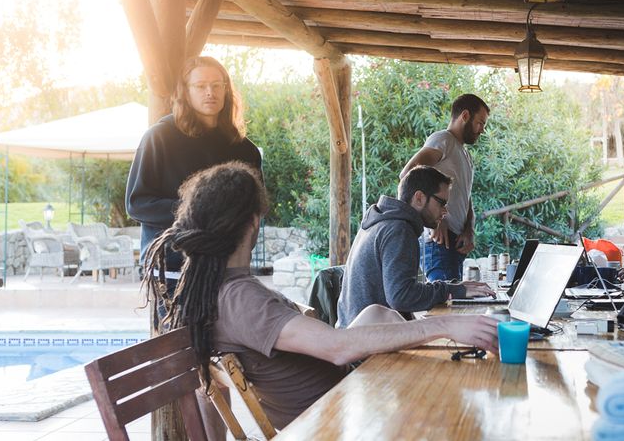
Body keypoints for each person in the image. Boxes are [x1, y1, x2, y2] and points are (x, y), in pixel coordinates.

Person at [145, 162, 499, 430]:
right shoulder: (240, 300)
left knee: (378, 314)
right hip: (333, 418)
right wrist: (446, 325)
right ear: (253, 223)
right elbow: (337, 346)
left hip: (341, 396)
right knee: (451, 405)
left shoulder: (224, 289)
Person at [126, 56, 262, 302]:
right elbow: (137, 204)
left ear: (226, 90)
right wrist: (200, 214)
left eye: (217, 85)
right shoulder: (159, 138)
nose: (210, 92)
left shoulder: (245, 150)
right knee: (180, 341)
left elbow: (253, 211)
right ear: (185, 92)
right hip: (173, 268)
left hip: (227, 268)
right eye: (200, 86)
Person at [337, 166, 495, 328]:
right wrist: (454, 291)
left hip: (353, 332)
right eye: (441, 203)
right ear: (419, 198)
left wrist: (454, 288)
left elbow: (401, 292)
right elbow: (401, 297)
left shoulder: (381, 223)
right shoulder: (399, 230)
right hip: (364, 342)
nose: (445, 211)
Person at [401, 94, 489, 281]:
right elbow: (409, 175)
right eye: (480, 123)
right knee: (443, 307)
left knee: (454, 305)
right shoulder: (443, 140)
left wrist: (469, 229)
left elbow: (466, 196)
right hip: (438, 241)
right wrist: (435, 221)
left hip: (455, 242)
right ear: (465, 115)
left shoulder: (464, 153)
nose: (482, 130)